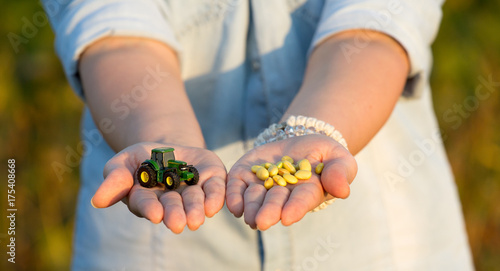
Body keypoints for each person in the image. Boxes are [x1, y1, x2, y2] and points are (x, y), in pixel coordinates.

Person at [44, 0, 474, 270]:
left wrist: (311, 129)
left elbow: (377, 24)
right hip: (157, 252)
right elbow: (115, 34)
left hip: (379, 244)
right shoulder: (163, 172)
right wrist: (161, 134)